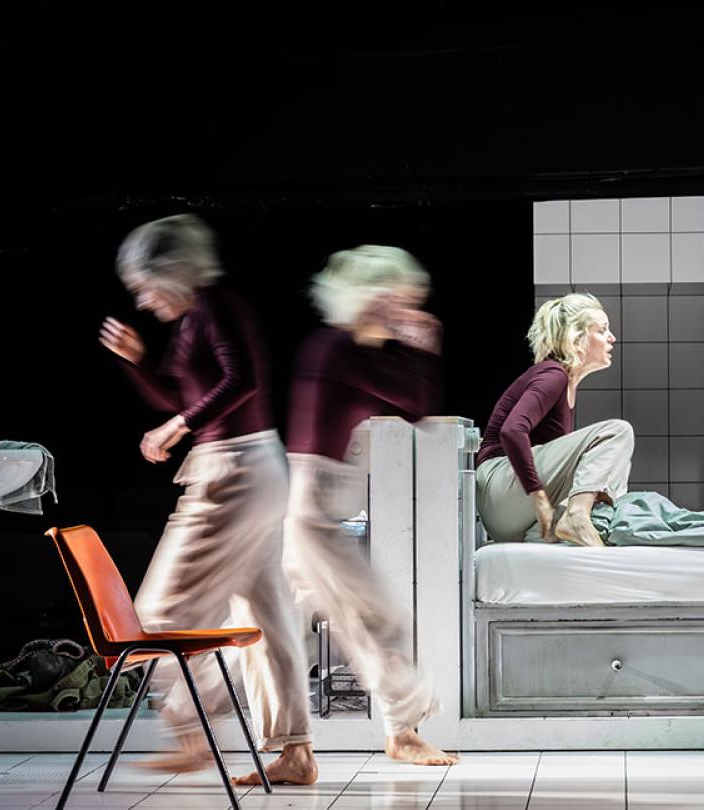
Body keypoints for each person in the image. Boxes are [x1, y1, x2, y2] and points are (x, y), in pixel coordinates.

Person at [98, 214, 312, 777]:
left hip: (235, 471)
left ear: (172, 272)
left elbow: (241, 381)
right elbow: (174, 393)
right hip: (250, 466)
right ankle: (296, 752)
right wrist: (138, 360)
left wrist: (178, 427)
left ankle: (192, 732)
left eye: (145, 286)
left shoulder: (215, 305)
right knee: (265, 615)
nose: (143, 301)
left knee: (161, 612)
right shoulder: (197, 317)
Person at [249, 246, 457, 784]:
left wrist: (411, 346)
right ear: (371, 296)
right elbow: (417, 401)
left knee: (279, 631)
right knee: (379, 617)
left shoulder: (349, 350)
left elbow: (415, 408)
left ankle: (296, 752)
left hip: (303, 507)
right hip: (307, 513)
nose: (407, 306)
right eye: (398, 296)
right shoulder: (337, 348)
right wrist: (422, 347)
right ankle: (401, 732)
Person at [476, 292, 632, 546]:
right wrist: (538, 497)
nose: (612, 338)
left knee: (611, 475)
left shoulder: (565, 383)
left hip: (515, 518)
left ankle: (573, 521)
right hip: (499, 489)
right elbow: (512, 431)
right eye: (603, 330)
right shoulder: (553, 374)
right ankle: (577, 516)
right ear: (576, 337)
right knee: (617, 433)